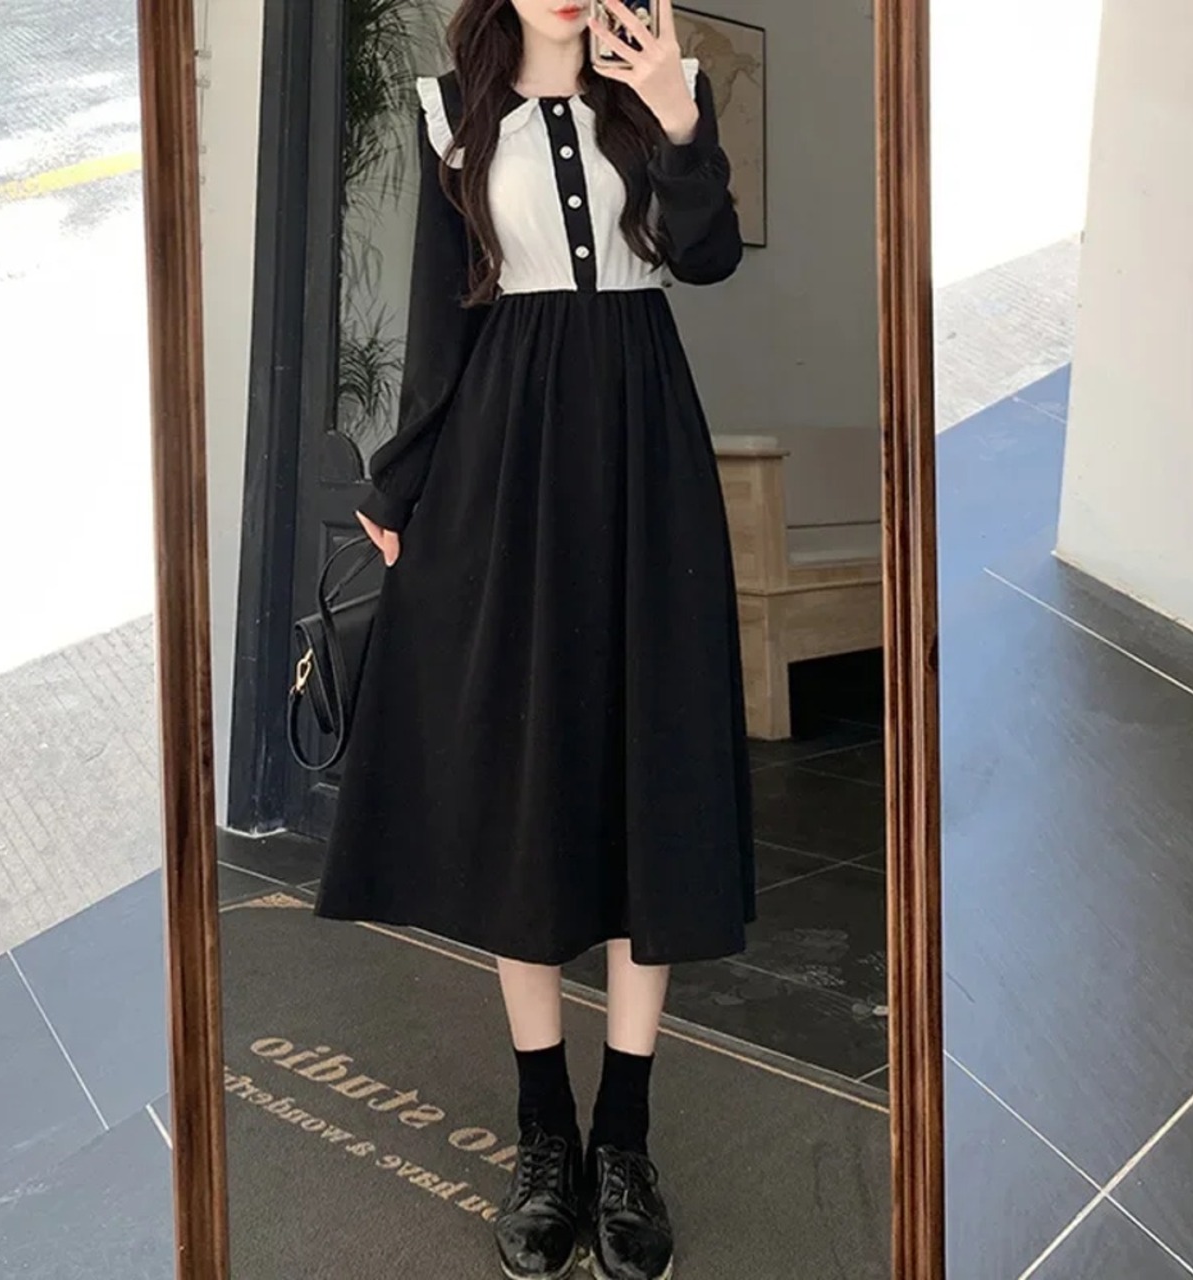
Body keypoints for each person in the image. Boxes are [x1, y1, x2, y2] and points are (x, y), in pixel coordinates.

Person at [313, 0, 756, 1275]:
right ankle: (544, 1131)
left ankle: (625, 1137)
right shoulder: (450, 115)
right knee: (527, 781)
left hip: (642, 448)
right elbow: (442, 323)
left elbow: (706, 260)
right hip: (505, 459)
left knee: (642, 776)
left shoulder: (657, 93)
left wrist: (675, 115)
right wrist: (402, 486)